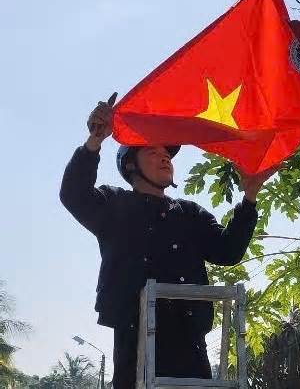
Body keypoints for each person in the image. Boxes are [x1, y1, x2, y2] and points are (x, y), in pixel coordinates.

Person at [60, 95, 277, 388]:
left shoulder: (190, 214)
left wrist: (249, 199)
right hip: (135, 341)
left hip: (189, 341)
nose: (165, 157)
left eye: (167, 153)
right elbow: (74, 194)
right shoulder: (114, 205)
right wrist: (94, 142)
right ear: (131, 165)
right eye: (152, 151)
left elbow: (228, 251)